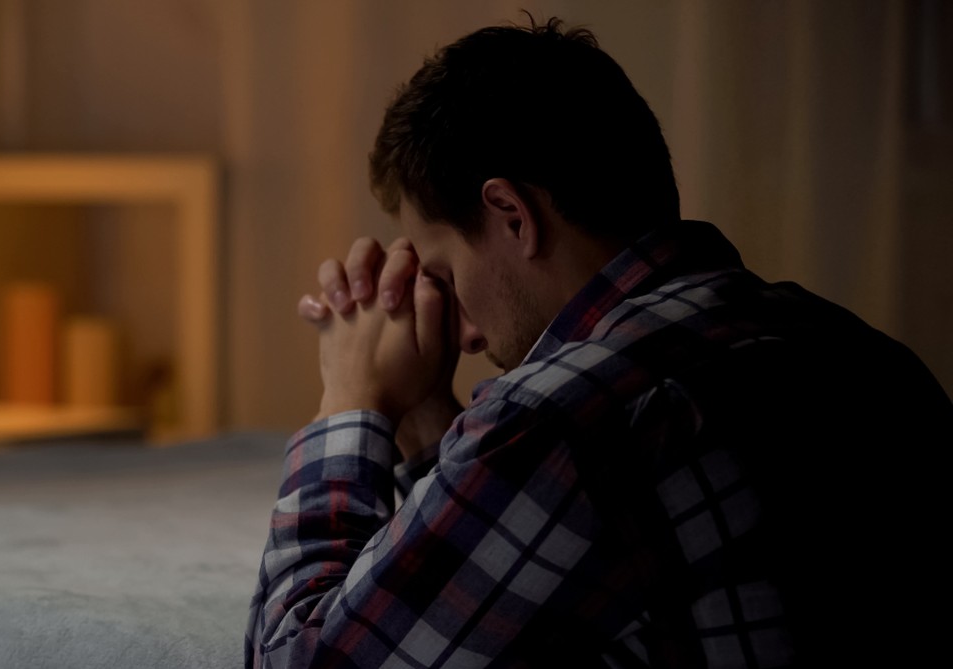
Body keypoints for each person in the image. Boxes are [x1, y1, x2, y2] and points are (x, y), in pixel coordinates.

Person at [245, 14, 952, 668]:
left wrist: (348, 398)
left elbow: (301, 659)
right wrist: (431, 416)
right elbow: (528, 584)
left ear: (511, 214)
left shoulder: (564, 417)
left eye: (444, 274)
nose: (459, 332)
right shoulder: (862, 350)